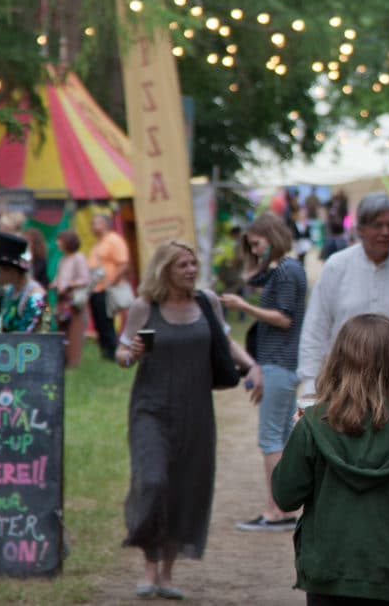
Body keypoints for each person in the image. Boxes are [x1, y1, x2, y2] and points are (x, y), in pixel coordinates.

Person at [115, 240, 262, 600]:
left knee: (184, 490)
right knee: (153, 481)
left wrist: (252, 365)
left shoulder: (206, 303)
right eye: (183, 265)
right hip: (150, 409)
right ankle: (148, 564)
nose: (191, 271)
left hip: (195, 412)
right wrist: (129, 353)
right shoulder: (145, 308)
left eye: (193, 264)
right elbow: (122, 353)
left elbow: (225, 344)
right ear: (165, 269)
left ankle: (165, 574)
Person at [273, 313, 389, 606]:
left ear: (336, 360)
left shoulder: (312, 425)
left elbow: (286, 496)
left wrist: (299, 436)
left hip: (329, 571)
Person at [299, 193, 389, 406]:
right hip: (344, 381)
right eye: (378, 225)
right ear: (360, 229)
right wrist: (310, 384)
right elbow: (316, 328)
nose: (386, 232)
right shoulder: (337, 266)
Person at [221, 216, 308, 532]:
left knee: (270, 437)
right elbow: (253, 278)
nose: (255, 251)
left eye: (258, 244)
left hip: (278, 361)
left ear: (273, 237)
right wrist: (257, 259)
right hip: (281, 363)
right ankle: (282, 508)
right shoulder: (284, 269)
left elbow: (284, 318)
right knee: (281, 436)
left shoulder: (286, 271)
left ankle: (276, 510)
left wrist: (245, 307)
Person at [0, 233, 50, 334]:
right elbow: (0, 326)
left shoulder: (37, 298)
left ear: (10, 270)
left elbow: (37, 335)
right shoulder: (10, 292)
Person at [89, 213, 131, 360]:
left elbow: (123, 263)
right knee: (99, 323)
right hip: (95, 289)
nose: (92, 227)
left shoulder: (114, 240)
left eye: (96, 223)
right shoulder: (98, 243)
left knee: (107, 323)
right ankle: (105, 353)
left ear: (105, 224)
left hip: (107, 288)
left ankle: (114, 354)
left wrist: (112, 282)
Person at [52, 231, 93, 368]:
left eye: (60, 240)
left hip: (73, 299)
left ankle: (73, 361)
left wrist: (69, 285)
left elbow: (85, 278)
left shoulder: (78, 258)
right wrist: (56, 283)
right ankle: (62, 358)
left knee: (75, 329)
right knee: (62, 328)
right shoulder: (63, 259)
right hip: (62, 299)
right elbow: (59, 276)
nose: (57, 243)